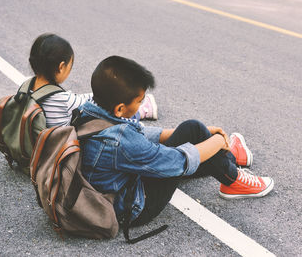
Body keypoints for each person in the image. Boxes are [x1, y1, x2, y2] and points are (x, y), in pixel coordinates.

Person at [78, 55, 274, 228]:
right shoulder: (120, 141)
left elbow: (141, 134)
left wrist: (204, 136)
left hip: (116, 186)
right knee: (193, 132)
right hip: (133, 207)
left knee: (194, 132)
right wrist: (214, 142)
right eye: (139, 101)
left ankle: (229, 157)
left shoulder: (89, 112)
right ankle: (233, 176)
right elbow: (177, 161)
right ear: (120, 109)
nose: (142, 105)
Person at [28, 33, 157, 128]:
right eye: (70, 65)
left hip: (35, 148)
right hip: (63, 148)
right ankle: (141, 110)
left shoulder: (27, 87)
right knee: (107, 109)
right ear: (61, 67)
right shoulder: (63, 100)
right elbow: (92, 103)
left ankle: (139, 108)